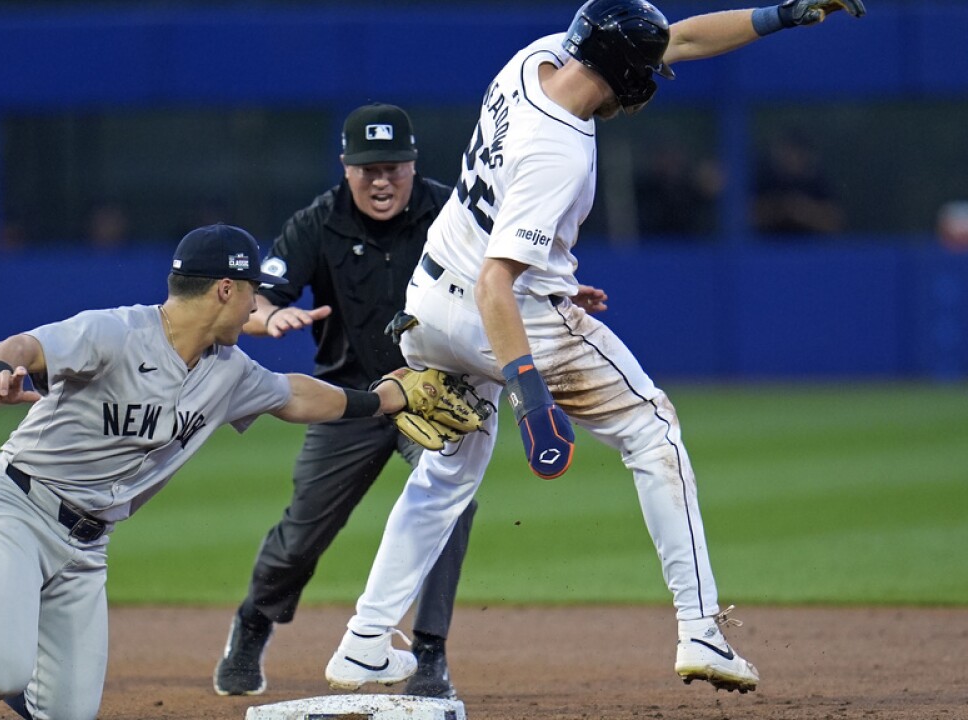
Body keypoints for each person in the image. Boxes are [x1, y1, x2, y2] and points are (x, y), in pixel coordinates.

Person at [322, 0, 864, 696]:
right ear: (623, 71)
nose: (655, 73)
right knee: (652, 427)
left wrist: (781, 14)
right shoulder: (561, 150)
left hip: (429, 302)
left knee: (446, 476)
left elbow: (683, 37)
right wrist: (531, 394)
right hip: (505, 313)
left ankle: (366, 640)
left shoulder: (534, 60)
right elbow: (499, 283)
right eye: (645, 68)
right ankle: (700, 628)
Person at [0, 223, 415, 720]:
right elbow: (25, 347)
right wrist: (0, 369)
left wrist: (385, 398)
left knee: (63, 715)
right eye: (250, 294)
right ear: (224, 289)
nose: (255, 308)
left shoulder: (229, 372)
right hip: (12, 510)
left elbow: (298, 395)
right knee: (0, 671)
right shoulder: (116, 334)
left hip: (84, 546)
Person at [212, 104, 471, 699]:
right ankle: (254, 619)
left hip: (430, 394)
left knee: (451, 503)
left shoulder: (450, 212)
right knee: (304, 532)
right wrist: (272, 316)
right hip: (350, 398)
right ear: (345, 169)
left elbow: (500, 274)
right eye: (367, 169)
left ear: (412, 164)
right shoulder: (319, 222)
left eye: (393, 168)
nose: (381, 181)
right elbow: (254, 300)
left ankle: (429, 651)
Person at [751, 131, 844, 236]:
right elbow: (743, 218)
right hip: (766, 249)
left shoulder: (818, 183)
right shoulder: (765, 180)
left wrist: (803, 211)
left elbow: (835, 224)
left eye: (795, 152)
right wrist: (778, 208)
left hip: (810, 249)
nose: (790, 157)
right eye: (785, 152)